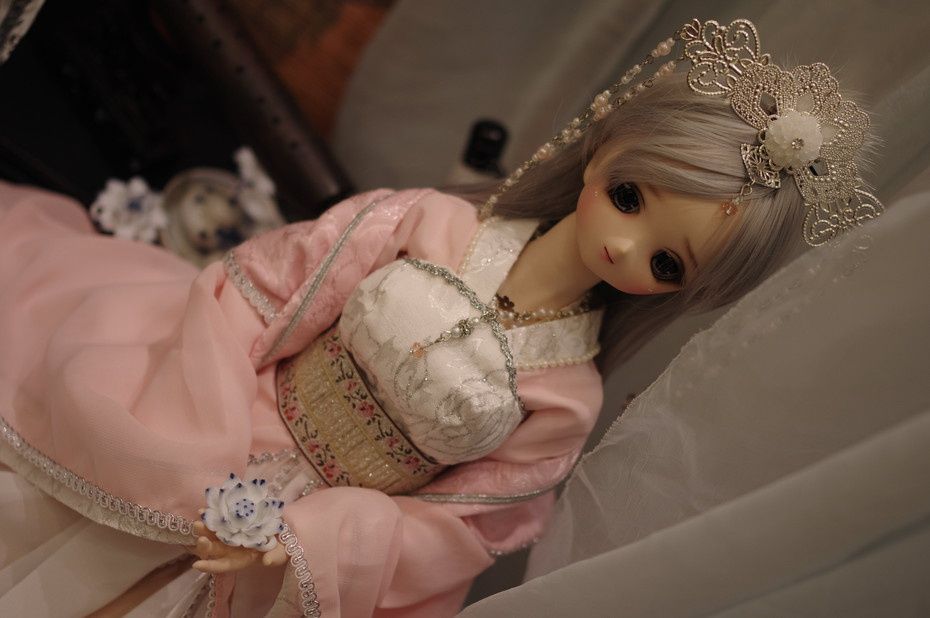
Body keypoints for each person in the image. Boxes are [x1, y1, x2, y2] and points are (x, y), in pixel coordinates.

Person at [0, 18, 881, 618]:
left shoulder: (566, 397)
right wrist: (205, 437)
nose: (625, 247)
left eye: (667, 264)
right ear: (604, 152)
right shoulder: (429, 223)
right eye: (629, 197)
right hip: (220, 413)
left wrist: (305, 540)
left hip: (311, 535)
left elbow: (457, 528)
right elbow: (273, 288)